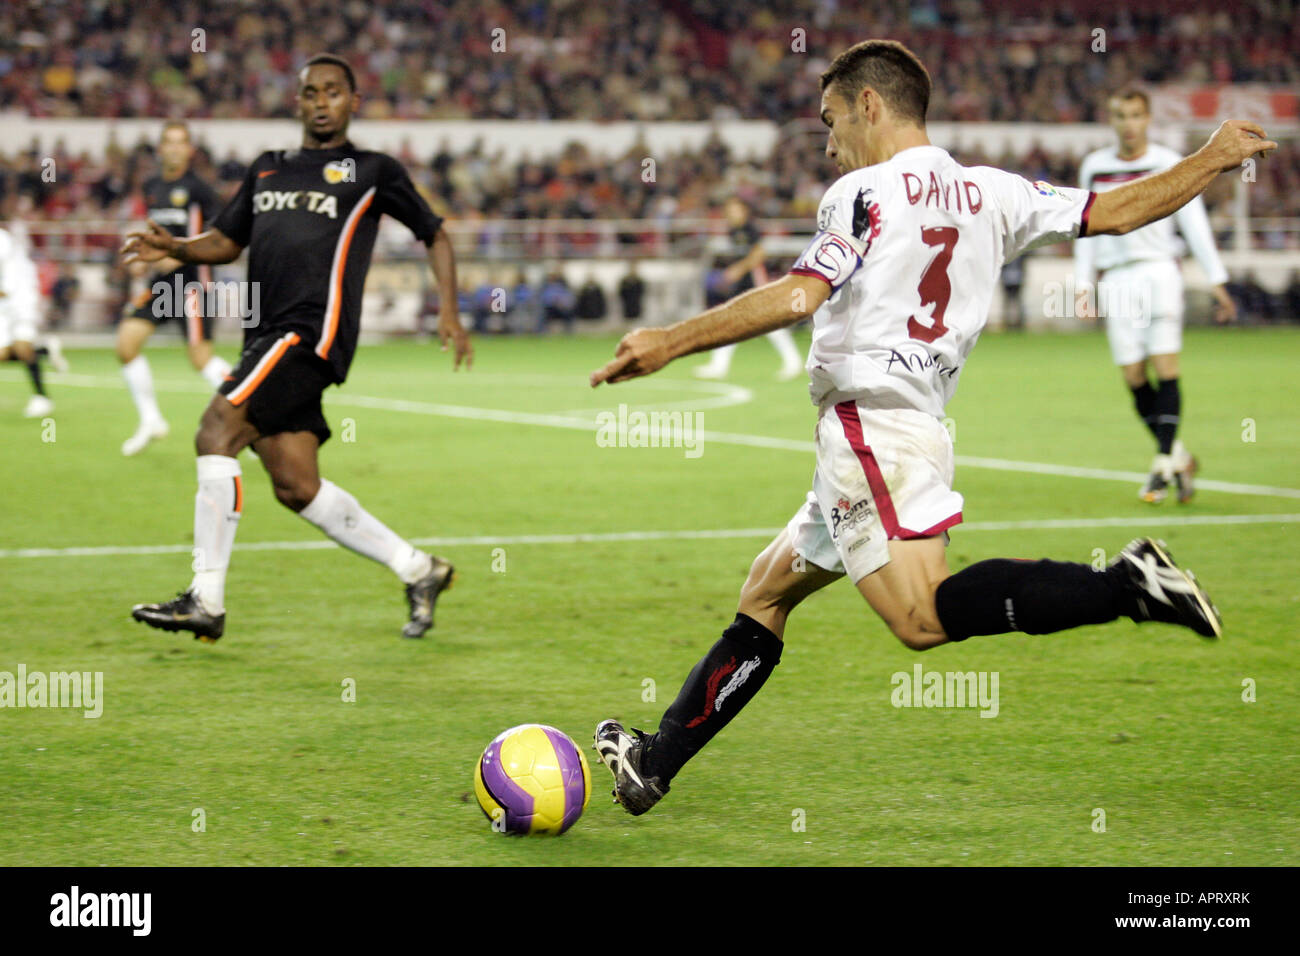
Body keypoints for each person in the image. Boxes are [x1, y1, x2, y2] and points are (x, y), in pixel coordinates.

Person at [587, 39, 1274, 816]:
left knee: (919, 617)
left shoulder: (861, 193)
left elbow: (797, 297)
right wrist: (1210, 158)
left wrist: (667, 342)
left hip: (868, 428)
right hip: (906, 426)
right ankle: (654, 763)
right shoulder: (991, 190)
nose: (828, 140)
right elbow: (1115, 211)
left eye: (830, 118)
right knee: (767, 592)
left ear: (869, 104)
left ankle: (1127, 585)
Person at [122, 54, 472, 643]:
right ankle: (419, 569)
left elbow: (433, 231)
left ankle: (205, 600)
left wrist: (451, 308)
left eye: (333, 91)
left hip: (312, 334)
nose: (320, 101)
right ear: (299, 101)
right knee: (295, 484)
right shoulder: (268, 170)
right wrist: (177, 247)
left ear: (353, 101)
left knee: (215, 431)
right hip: (265, 334)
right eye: (311, 92)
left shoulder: (372, 170)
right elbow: (227, 241)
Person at [1074, 88, 1237, 504]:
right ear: (1111, 120)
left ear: (1147, 119)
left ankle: (1162, 462)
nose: (1128, 124)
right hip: (1116, 280)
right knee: (1133, 376)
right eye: (1120, 116)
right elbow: (1084, 228)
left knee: (1165, 365)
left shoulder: (1168, 163)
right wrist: (1083, 284)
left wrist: (1217, 281)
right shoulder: (1095, 166)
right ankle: (1178, 456)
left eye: (1135, 115)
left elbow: (1194, 223)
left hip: (1159, 271)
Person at [117, 122, 233, 456]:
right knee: (127, 344)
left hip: (193, 282)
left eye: (180, 143)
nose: (174, 148)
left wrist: (177, 254)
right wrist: (145, 259)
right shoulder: (151, 185)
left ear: (189, 149)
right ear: (160, 147)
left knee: (200, 359)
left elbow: (218, 236)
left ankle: (250, 409)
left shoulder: (199, 189)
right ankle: (151, 420)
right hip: (161, 282)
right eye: (168, 142)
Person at [694, 197, 804, 381]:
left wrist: (739, 269)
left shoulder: (750, 229)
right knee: (732, 322)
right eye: (729, 210)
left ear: (744, 211)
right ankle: (719, 365)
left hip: (754, 280)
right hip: (743, 282)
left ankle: (793, 362)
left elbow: (759, 253)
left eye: (735, 209)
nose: (731, 213)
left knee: (764, 323)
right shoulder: (733, 231)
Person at [0, 224, 61, 418]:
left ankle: (42, 398)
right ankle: (43, 350)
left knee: (23, 347)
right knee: (3, 354)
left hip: (21, 299)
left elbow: (8, 284)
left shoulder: (2, 240)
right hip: (5, 303)